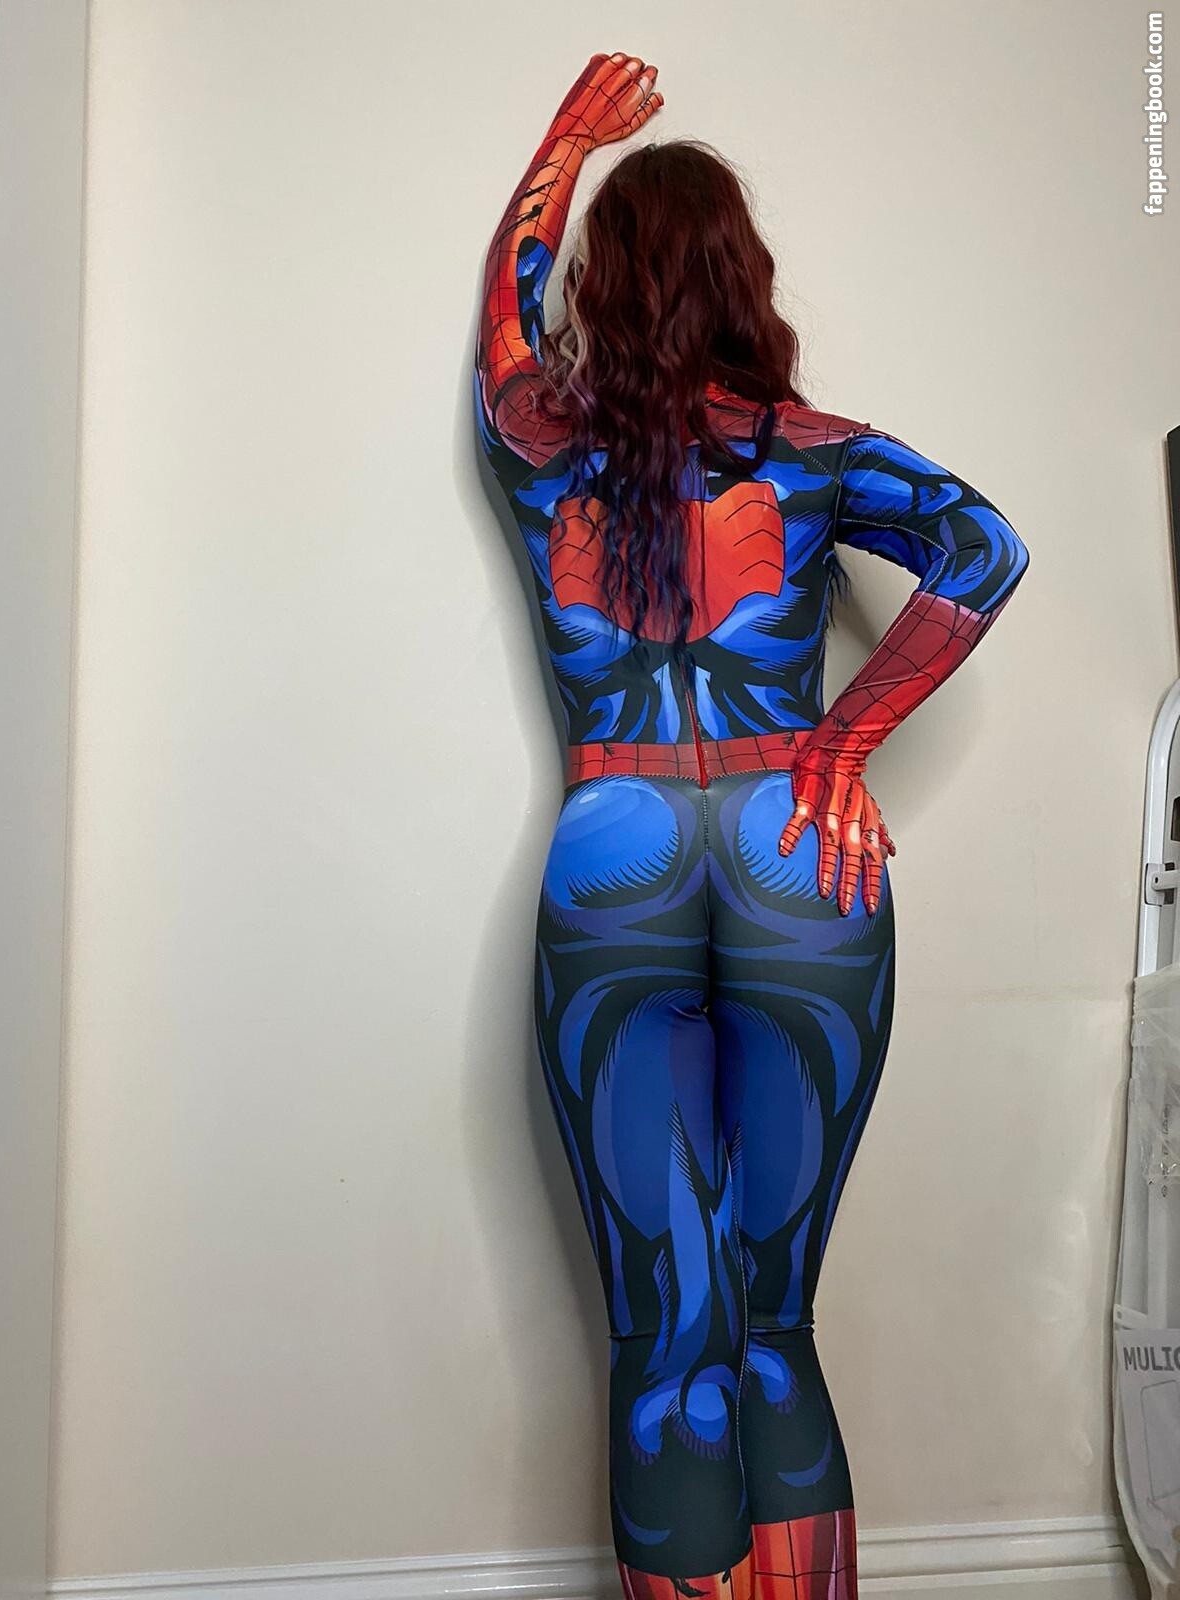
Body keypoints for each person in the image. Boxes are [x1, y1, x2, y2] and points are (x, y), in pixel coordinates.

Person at [472, 52, 1029, 1600]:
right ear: (745, 282)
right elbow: (985, 547)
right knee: (774, 1323)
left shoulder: (542, 443)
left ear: (607, 283)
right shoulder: (819, 450)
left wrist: (569, 140)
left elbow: (507, 317)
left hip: (620, 846)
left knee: (667, 1330)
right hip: (800, 853)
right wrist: (845, 738)